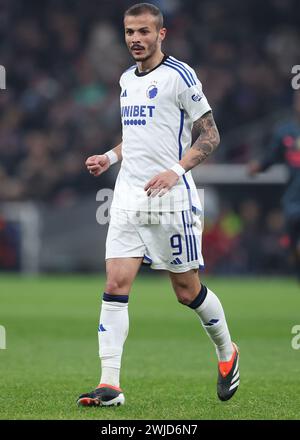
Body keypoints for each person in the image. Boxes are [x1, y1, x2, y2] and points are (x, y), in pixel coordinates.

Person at [77, 3, 239, 407]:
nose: (136, 39)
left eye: (144, 31)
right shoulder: (125, 80)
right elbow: (135, 137)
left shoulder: (180, 76)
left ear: (161, 34)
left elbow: (210, 136)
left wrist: (175, 171)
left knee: (187, 292)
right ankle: (109, 385)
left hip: (170, 201)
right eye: (130, 32)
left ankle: (227, 352)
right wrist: (110, 158)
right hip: (130, 196)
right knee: (115, 284)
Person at [249, 91, 300, 280]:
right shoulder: (285, 132)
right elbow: (271, 156)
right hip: (293, 201)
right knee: (292, 247)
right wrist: (259, 166)